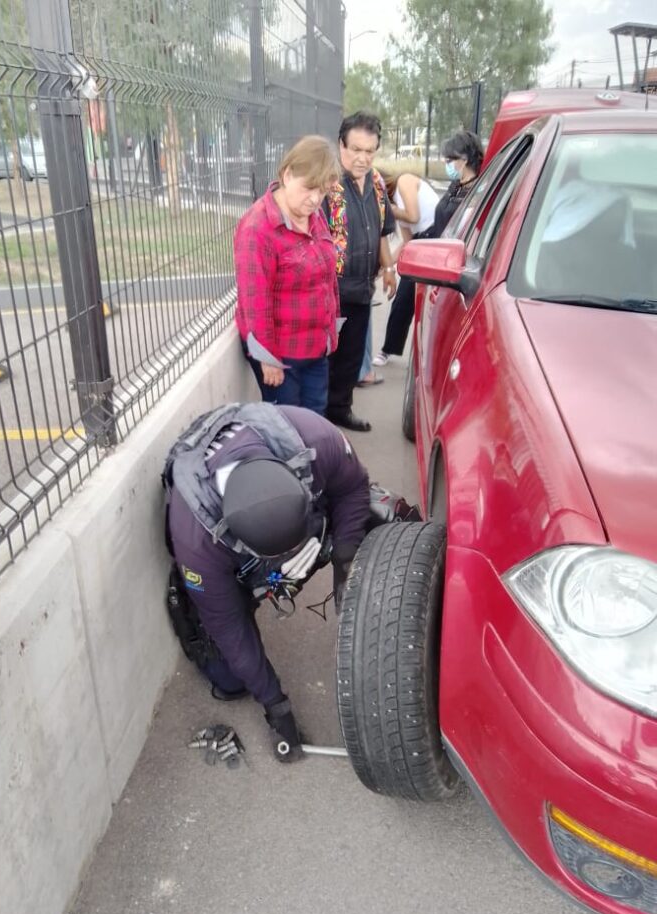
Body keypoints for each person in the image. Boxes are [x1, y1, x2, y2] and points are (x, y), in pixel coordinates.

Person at [163, 402, 372, 762]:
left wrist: (346, 556)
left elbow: (354, 486)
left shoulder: (315, 439)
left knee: (377, 515)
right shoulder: (197, 541)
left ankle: (307, 547)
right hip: (224, 565)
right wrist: (275, 706)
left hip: (292, 514)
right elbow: (231, 630)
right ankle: (197, 595)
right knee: (232, 679)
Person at [234, 136, 342, 415]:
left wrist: (331, 331)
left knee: (316, 419)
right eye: (309, 189)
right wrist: (268, 359)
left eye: (322, 191)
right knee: (289, 431)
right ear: (287, 174)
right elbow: (255, 301)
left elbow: (327, 277)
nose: (316, 199)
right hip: (282, 357)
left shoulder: (314, 214)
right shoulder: (258, 228)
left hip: (316, 347)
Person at [375, 130, 484, 366]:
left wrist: (387, 210)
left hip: (450, 253)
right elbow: (407, 240)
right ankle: (389, 348)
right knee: (405, 299)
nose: (447, 165)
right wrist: (387, 266)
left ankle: (434, 356)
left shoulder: (478, 190)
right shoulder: (456, 185)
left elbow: (413, 216)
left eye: (449, 160)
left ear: (464, 159)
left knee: (438, 309)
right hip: (432, 246)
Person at [323, 111, 397, 432]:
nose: (362, 158)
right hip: (331, 291)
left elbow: (383, 229)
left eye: (369, 151)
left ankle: (341, 410)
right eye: (355, 149)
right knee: (325, 360)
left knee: (352, 358)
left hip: (363, 287)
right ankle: (317, 419)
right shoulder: (327, 184)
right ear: (341, 146)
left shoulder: (378, 184)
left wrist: (390, 268)